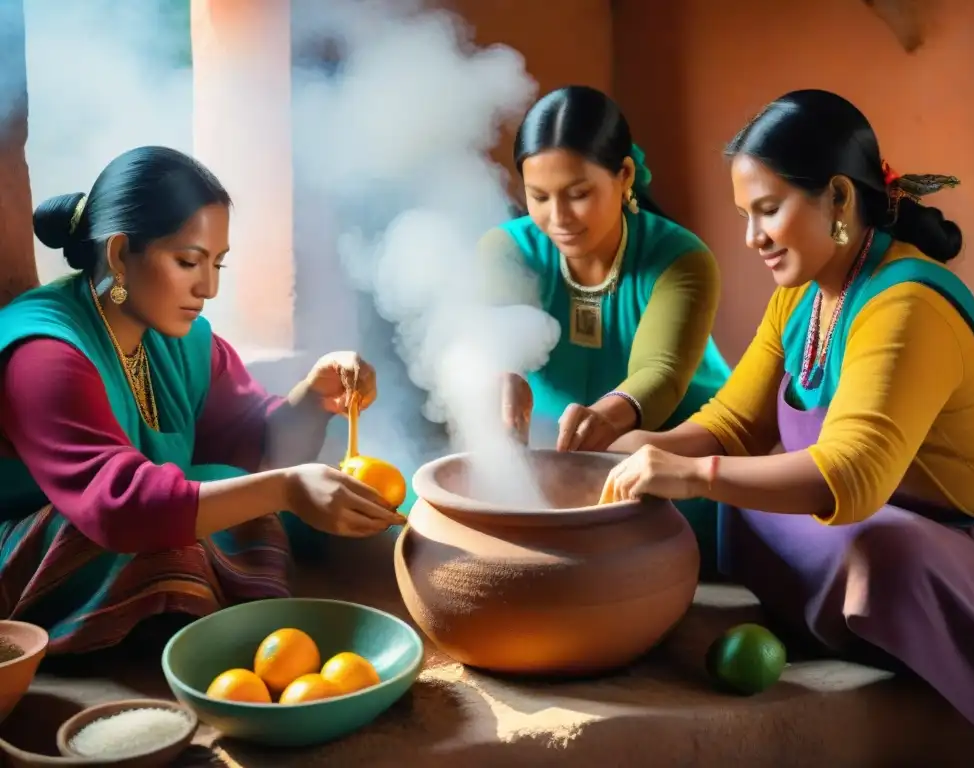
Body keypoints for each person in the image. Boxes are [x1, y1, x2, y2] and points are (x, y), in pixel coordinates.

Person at [601, 89, 974, 749]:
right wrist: (629, 446)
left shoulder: (906, 304)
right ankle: (850, 625)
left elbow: (850, 474)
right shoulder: (803, 291)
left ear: (839, 199)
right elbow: (734, 424)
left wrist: (692, 473)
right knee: (742, 498)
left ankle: (913, 639)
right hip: (883, 515)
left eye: (768, 210)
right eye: (746, 214)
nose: (751, 238)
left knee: (879, 555)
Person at [0, 146, 405, 655]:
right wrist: (283, 490)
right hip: (52, 534)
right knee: (174, 544)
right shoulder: (45, 353)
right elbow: (117, 506)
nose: (208, 287)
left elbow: (253, 439)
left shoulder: (183, 337)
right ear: (120, 254)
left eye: (217, 264)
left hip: (131, 518)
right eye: (189, 261)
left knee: (240, 491)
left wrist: (313, 397)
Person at [485, 85, 732, 559]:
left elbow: (660, 375)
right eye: (538, 197)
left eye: (578, 195)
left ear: (624, 175)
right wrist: (497, 378)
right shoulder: (508, 250)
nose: (557, 219)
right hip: (548, 459)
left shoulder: (680, 259)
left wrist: (606, 417)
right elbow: (484, 342)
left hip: (670, 454)